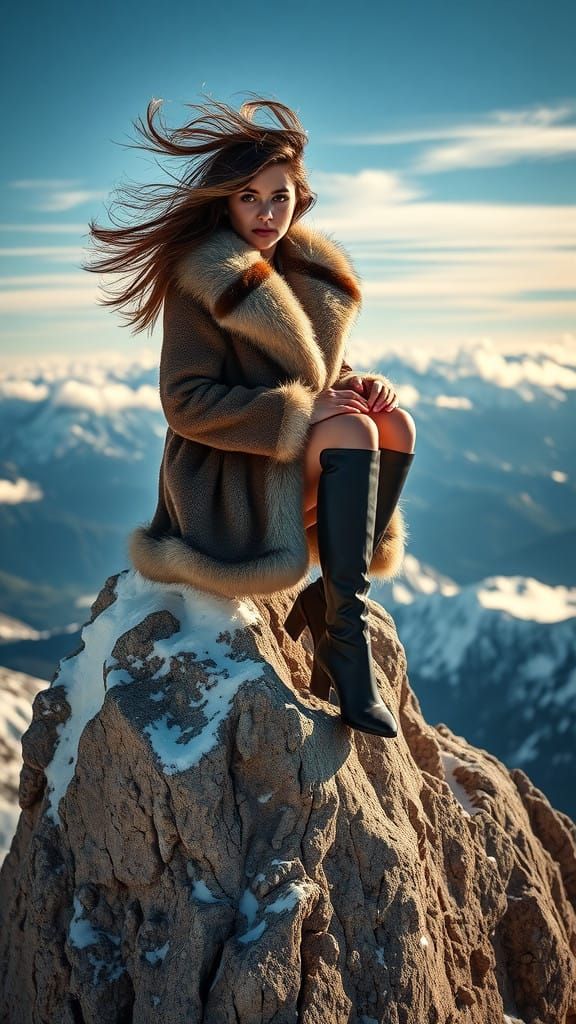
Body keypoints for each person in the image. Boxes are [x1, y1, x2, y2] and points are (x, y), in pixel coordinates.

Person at [82, 93, 416, 739]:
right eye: (249, 198)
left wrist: (356, 383)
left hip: (283, 464)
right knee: (350, 429)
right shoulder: (201, 279)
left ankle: (328, 603)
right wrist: (302, 411)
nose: (267, 213)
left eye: (280, 198)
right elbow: (185, 404)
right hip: (224, 476)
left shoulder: (310, 272)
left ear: (301, 201)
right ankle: (347, 648)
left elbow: (314, 374)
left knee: (394, 424)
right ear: (225, 201)